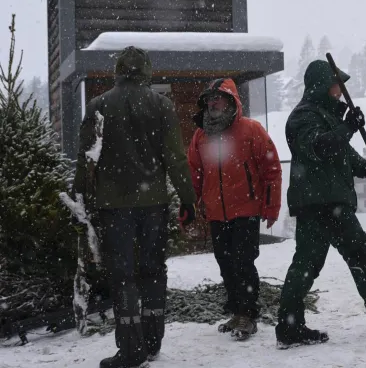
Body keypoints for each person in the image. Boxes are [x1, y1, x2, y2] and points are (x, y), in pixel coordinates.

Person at [275, 59, 366, 348]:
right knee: (307, 265)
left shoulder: (327, 116)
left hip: (333, 203)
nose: (340, 93)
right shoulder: (302, 117)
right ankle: (289, 327)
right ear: (321, 87)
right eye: (335, 87)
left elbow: (345, 156)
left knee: (363, 255)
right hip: (317, 205)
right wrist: (348, 128)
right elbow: (321, 147)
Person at [74, 46, 197, 368]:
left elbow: (86, 158)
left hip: (113, 207)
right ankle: (153, 341)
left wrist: (82, 201)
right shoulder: (162, 106)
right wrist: (188, 199)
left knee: (123, 277)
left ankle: (131, 350)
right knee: (154, 271)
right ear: (146, 70)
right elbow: (175, 158)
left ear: (118, 70)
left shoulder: (99, 105)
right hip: (154, 203)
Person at [187, 78, 282, 341]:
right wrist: (189, 205)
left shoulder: (251, 130)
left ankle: (248, 314)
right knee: (225, 263)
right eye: (209, 99)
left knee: (243, 262)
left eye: (217, 98)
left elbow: (271, 170)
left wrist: (271, 206)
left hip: (246, 210)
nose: (212, 103)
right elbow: (193, 174)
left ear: (231, 101)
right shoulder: (201, 135)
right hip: (216, 212)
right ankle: (237, 309)